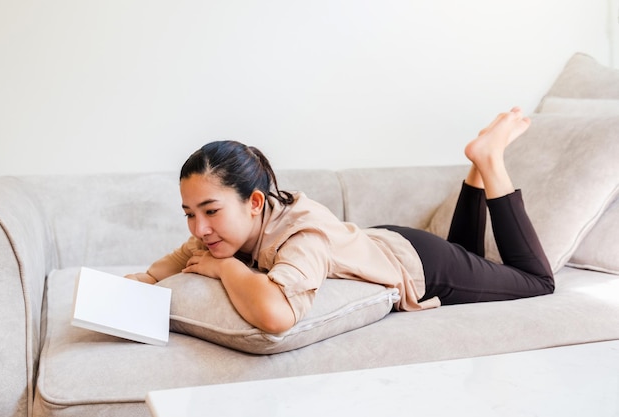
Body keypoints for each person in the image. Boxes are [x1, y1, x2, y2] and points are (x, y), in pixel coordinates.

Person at [127, 107, 554, 334]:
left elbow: (277, 315)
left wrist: (225, 268)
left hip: (423, 267)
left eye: (210, 211)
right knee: (471, 256)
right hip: (389, 242)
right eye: (189, 214)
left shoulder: (301, 235)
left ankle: (489, 160)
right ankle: (477, 166)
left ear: (254, 202)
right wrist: (123, 289)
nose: (199, 229)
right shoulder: (219, 232)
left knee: (535, 281)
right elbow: (158, 272)